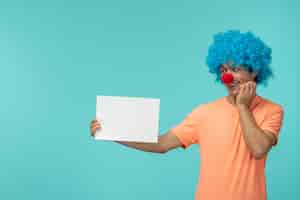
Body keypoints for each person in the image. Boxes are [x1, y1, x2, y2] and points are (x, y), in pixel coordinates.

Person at [89, 30, 284, 200]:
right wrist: (113, 133)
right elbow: (162, 143)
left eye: (235, 69)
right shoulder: (204, 113)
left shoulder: (272, 110)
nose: (227, 76)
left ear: (255, 70)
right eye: (223, 70)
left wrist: (242, 106)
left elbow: (258, 149)